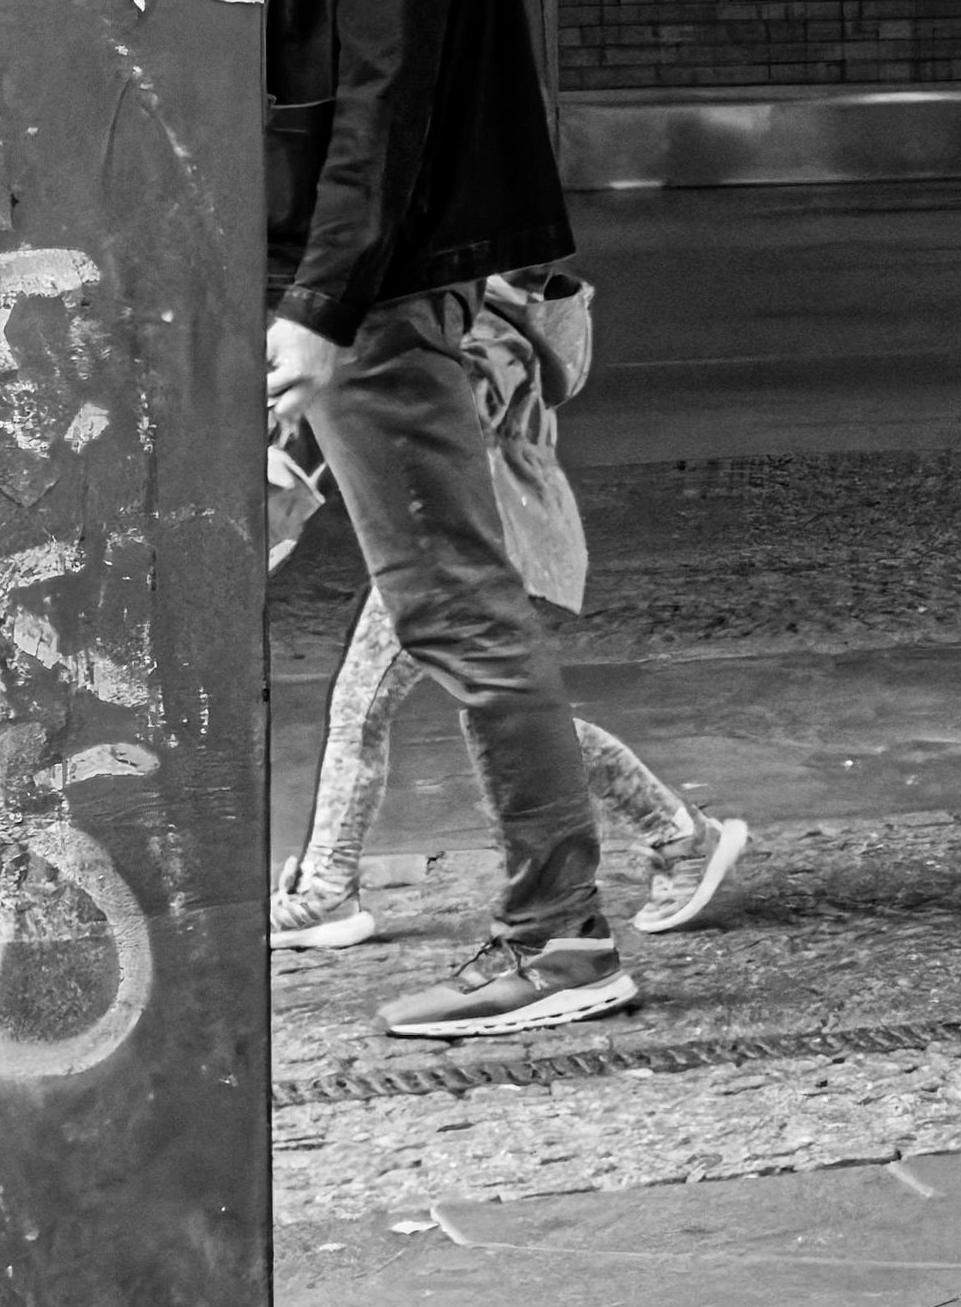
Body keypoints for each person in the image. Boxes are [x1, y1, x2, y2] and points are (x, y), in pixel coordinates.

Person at [256, 0, 639, 1042]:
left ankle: (562, 935)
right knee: (445, 611)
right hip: (325, 283)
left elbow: (386, 100)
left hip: (372, 293)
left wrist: (313, 306)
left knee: (461, 613)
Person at [274, 268, 755, 946]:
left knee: (387, 708)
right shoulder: (485, 317)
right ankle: (679, 835)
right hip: (476, 532)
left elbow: (446, 428)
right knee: (498, 717)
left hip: (466, 536)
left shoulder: (480, 327)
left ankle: (327, 888)